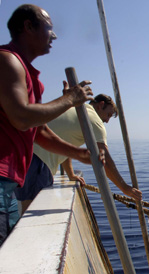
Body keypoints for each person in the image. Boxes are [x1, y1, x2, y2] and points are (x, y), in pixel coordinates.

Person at [0, 4, 100, 245]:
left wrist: (79, 153)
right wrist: (69, 99)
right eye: (48, 28)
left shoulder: (31, 77)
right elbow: (21, 117)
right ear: (28, 27)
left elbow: (38, 130)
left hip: (9, 184)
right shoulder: (7, 61)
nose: (54, 35)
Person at [16, 94, 142, 213]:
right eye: (108, 114)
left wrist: (71, 174)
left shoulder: (74, 109)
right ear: (100, 105)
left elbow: (65, 145)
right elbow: (105, 160)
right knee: (31, 211)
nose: (107, 121)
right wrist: (125, 188)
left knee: (24, 207)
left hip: (24, 156)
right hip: (39, 161)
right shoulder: (93, 120)